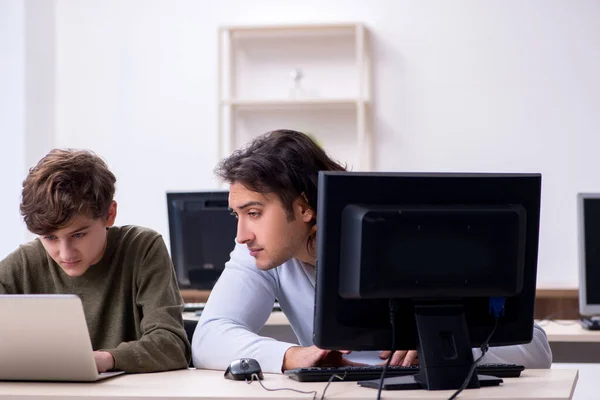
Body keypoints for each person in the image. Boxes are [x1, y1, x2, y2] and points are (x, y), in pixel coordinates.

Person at [192, 129, 552, 374]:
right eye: (237, 215)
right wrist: (291, 356)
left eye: (254, 213)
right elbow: (209, 338)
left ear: (304, 208)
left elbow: (535, 349)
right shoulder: (261, 252)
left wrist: (446, 346)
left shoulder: (400, 237)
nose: (241, 235)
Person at [0, 149, 191, 373]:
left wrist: (107, 359)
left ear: (110, 214)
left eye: (78, 235)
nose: (65, 253)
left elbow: (172, 345)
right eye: (50, 238)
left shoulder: (143, 248)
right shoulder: (24, 262)